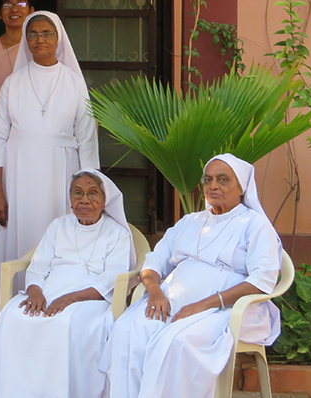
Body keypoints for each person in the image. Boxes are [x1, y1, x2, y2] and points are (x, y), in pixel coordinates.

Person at [103, 154, 283, 398]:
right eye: (208, 180)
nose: (213, 186)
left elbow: (262, 281)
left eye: (223, 179)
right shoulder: (190, 222)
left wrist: (202, 305)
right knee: (128, 330)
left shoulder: (255, 225)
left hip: (226, 309)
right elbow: (154, 262)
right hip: (171, 301)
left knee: (177, 341)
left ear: (242, 187)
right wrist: (154, 292)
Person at [0, 10, 99, 314]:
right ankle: (11, 311)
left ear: (58, 38)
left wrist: (89, 190)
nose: (40, 39)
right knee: (19, 238)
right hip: (18, 173)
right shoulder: (13, 82)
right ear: (26, 40)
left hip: (61, 171)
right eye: (33, 34)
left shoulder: (74, 82)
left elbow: (87, 139)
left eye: (47, 33)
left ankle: (54, 305)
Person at [0, 169, 135, 398]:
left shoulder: (118, 233)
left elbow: (111, 280)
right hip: (50, 289)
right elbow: (38, 265)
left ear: (105, 199)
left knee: (64, 322)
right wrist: (35, 292)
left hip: (91, 298)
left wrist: (70, 299)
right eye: (78, 193)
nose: (84, 200)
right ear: (70, 198)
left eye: (92, 193)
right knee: (14, 316)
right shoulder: (59, 226)